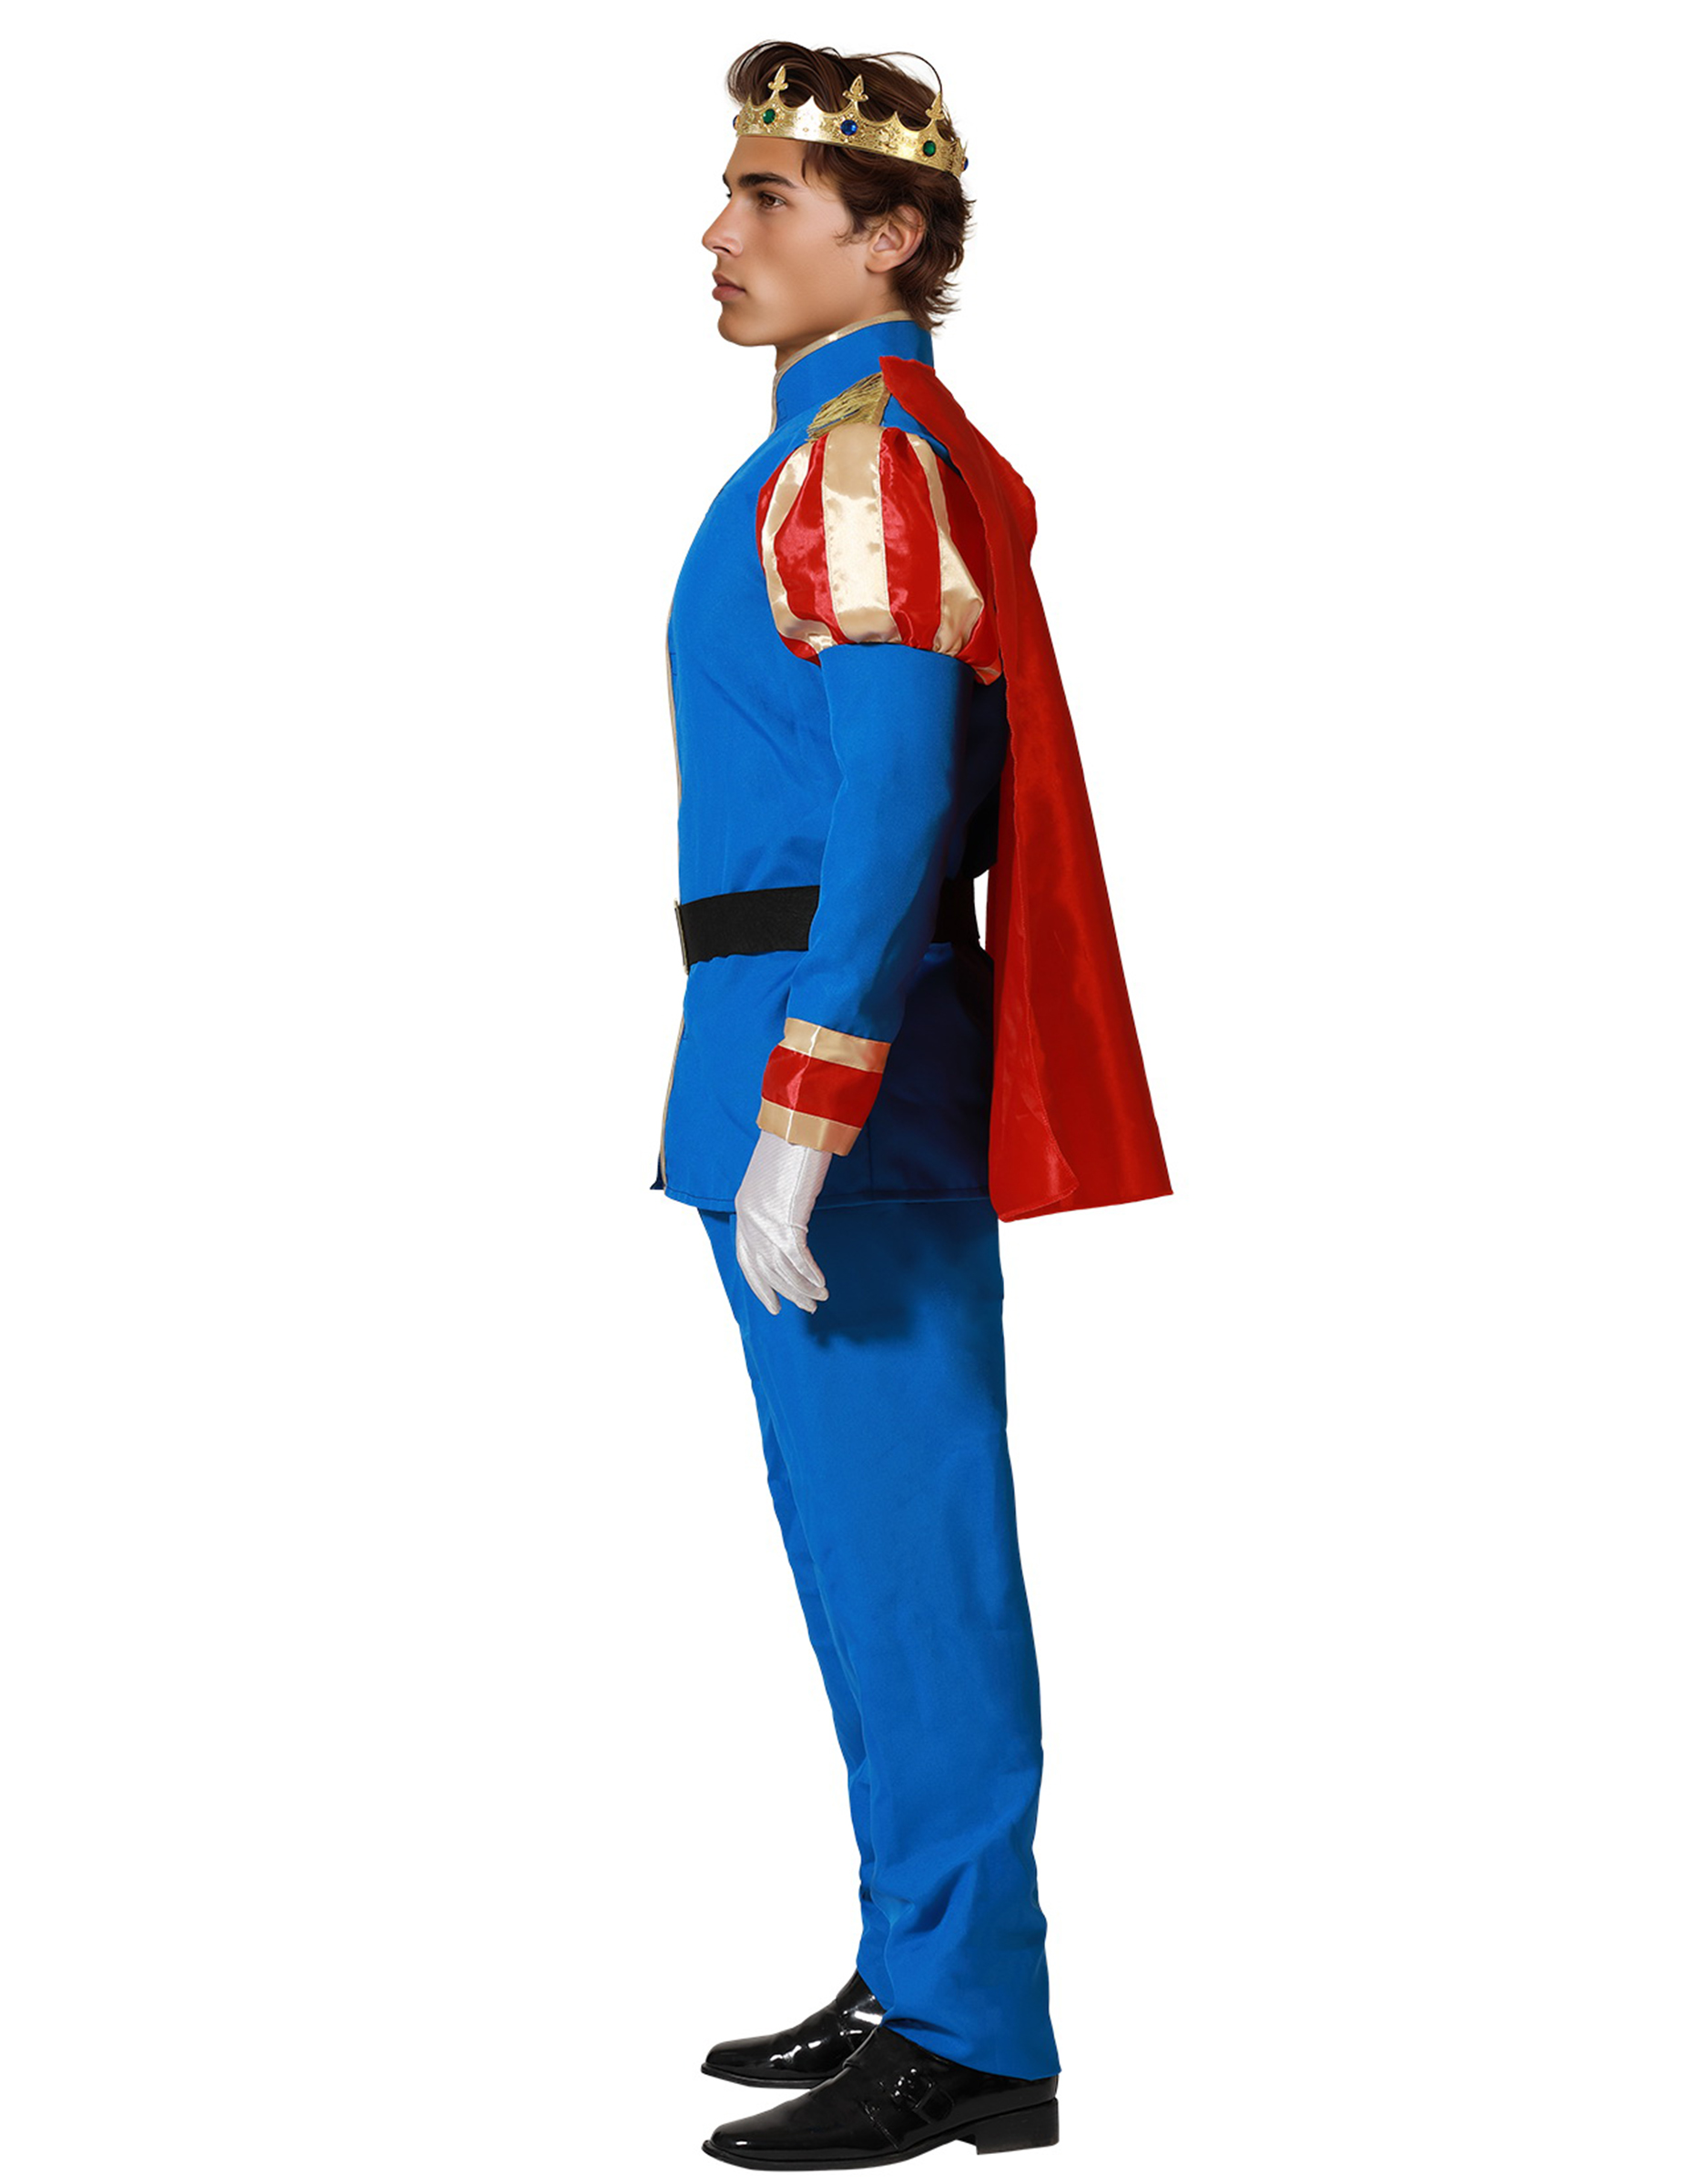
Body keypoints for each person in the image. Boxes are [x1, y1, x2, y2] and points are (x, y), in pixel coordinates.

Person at [650, 42, 1172, 2169]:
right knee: (862, 1558)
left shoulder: (867, 459)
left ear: (890, 242)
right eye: (729, 191)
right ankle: (920, 1960)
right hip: (783, 1049)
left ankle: (971, 2029)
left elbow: (890, 808)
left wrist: (807, 1107)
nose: (717, 231)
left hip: (832, 1071)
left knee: (912, 1552)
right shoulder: (830, 449)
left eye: (767, 198)